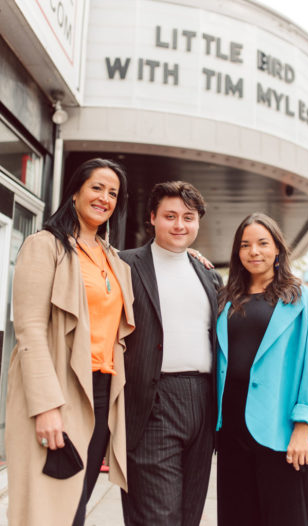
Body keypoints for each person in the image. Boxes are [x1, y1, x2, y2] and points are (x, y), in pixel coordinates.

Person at [5, 158, 135, 526]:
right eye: (97, 188)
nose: (104, 198)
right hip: (57, 391)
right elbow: (29, 329)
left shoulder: (115, 261)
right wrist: (46, 407)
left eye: (113, 193)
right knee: (46, 510)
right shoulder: (45, 246)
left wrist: (190, 255)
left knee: (74, 508)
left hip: (101, 393)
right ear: (75, 192)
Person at [216, 212, 308, 526]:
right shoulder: (226, 301)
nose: (255, 251)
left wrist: (304, 427)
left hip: (281, 431)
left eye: (263, 243)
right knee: (237, 516)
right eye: (245, 245)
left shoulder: (307, 304)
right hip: (232, 430)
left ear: (277, 248)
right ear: (237, 253)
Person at [119, 181, 221, 526]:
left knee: (188, 513)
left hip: (203, 403)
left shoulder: (207, 275)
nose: (180, 225)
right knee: (156, 516)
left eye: (188, 217)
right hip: (152, 400)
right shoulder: (124, 265)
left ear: (197, 222)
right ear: (152, 218)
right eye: (170, 216)